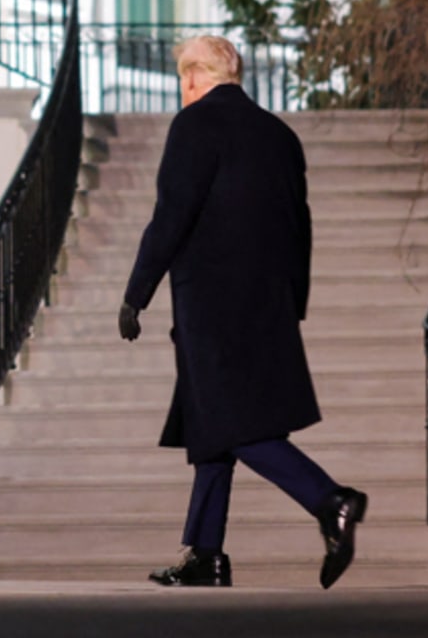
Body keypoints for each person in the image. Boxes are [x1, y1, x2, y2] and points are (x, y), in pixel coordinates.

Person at [117, 35, 368, 589]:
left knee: (232, 424)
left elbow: (172, 214)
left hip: (212, 304)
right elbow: (300, 224)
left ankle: (330, 500)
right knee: (211, 422)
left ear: (191, 78)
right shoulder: (280, 134)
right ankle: (206, 555)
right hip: (267, 303)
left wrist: (137, 293)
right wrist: (292, 302)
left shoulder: (194, 125)